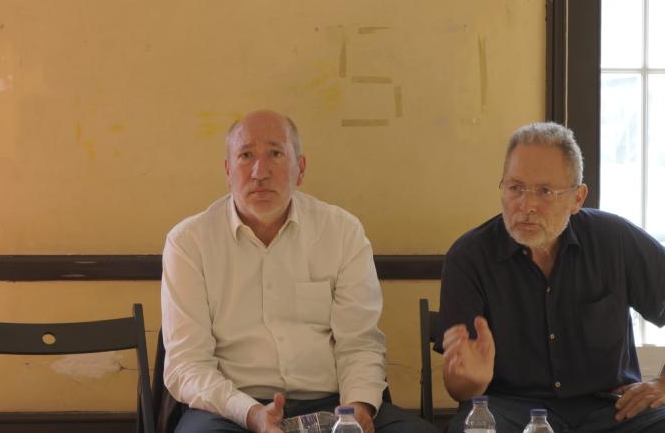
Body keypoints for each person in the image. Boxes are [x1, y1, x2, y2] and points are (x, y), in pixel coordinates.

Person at [161, 109, 436, 433]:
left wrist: (357, 409)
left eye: (275, 154)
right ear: (228, 171)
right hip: (231, 411)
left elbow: (360, 344)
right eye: (246, 156)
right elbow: (188, 363)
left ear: (300, 169)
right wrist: (252, 414)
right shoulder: (189, 242)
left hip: (333, 404)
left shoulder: (341, 231)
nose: (259, 172)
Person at [437, 122, 665, 432]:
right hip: (511, 411)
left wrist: (663, 384)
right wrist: (470, 380)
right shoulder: (469, 257)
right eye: (515, 188)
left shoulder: (615, 240)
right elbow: (459, 390)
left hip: (612, 410)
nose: (526, 205)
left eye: (545, 191)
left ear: (577, 198)